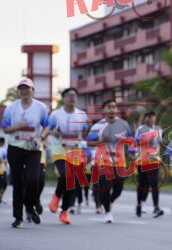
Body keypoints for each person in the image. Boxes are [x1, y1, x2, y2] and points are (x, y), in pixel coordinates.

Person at [1, 77, 49, 228]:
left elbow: (47, 126)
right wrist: (17, 126)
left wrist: (41, 138)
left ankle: (29, 206)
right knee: (18, 183)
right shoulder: (11, 108)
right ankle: (18, 217)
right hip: (15, 148)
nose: (24, 91)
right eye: (21, 88)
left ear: (33, 90)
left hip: (33, 149)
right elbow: (5, 128)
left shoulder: (41, 107)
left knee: (33, 180)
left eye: (27, 88)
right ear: (18, 91)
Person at [47, 88, 89, 225]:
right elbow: (48, 129)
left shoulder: (82, 115)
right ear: (63, 98)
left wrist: (89, 128)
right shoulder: (55, 114)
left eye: (74, 95)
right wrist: (54, 132)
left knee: (73, 182)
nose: (72, 98)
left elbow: (84, 134)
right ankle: (57, 196)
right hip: (59, 150)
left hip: (75, 151)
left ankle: (64, 211)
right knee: (65, 176)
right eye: (69, 95)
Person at [96, 99, 133, 223]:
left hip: (119, 161)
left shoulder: (123, 124)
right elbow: (88, 142)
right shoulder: (98, 126)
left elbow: (130, 141)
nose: (112, 109)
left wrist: (132, 153)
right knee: (105, 187)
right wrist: (100, 142)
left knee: (118, 188)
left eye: (114, 107)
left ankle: (109, 201)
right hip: (104, 161)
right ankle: (108, 212)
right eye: (109, 107)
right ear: (103, 110)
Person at [134, 111, 164, 218]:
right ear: (145, 119)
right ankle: (139, 204)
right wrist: (146, 140)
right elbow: (135, 143)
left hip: (154, 160)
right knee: (142, 184)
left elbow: (161, 143)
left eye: (153, 117)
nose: (151, 119)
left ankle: (156, 207)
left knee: (154, 183)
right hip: (143, 160)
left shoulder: (159, 129)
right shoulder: (140, 129)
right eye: (149, 117)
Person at [0, 137, 8, 203]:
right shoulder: (2, 150)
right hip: (1, 170)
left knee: (4, 184)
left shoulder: (4, 150)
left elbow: (6, 160)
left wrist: (3, 161)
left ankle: (1, 197)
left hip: (2, 170)